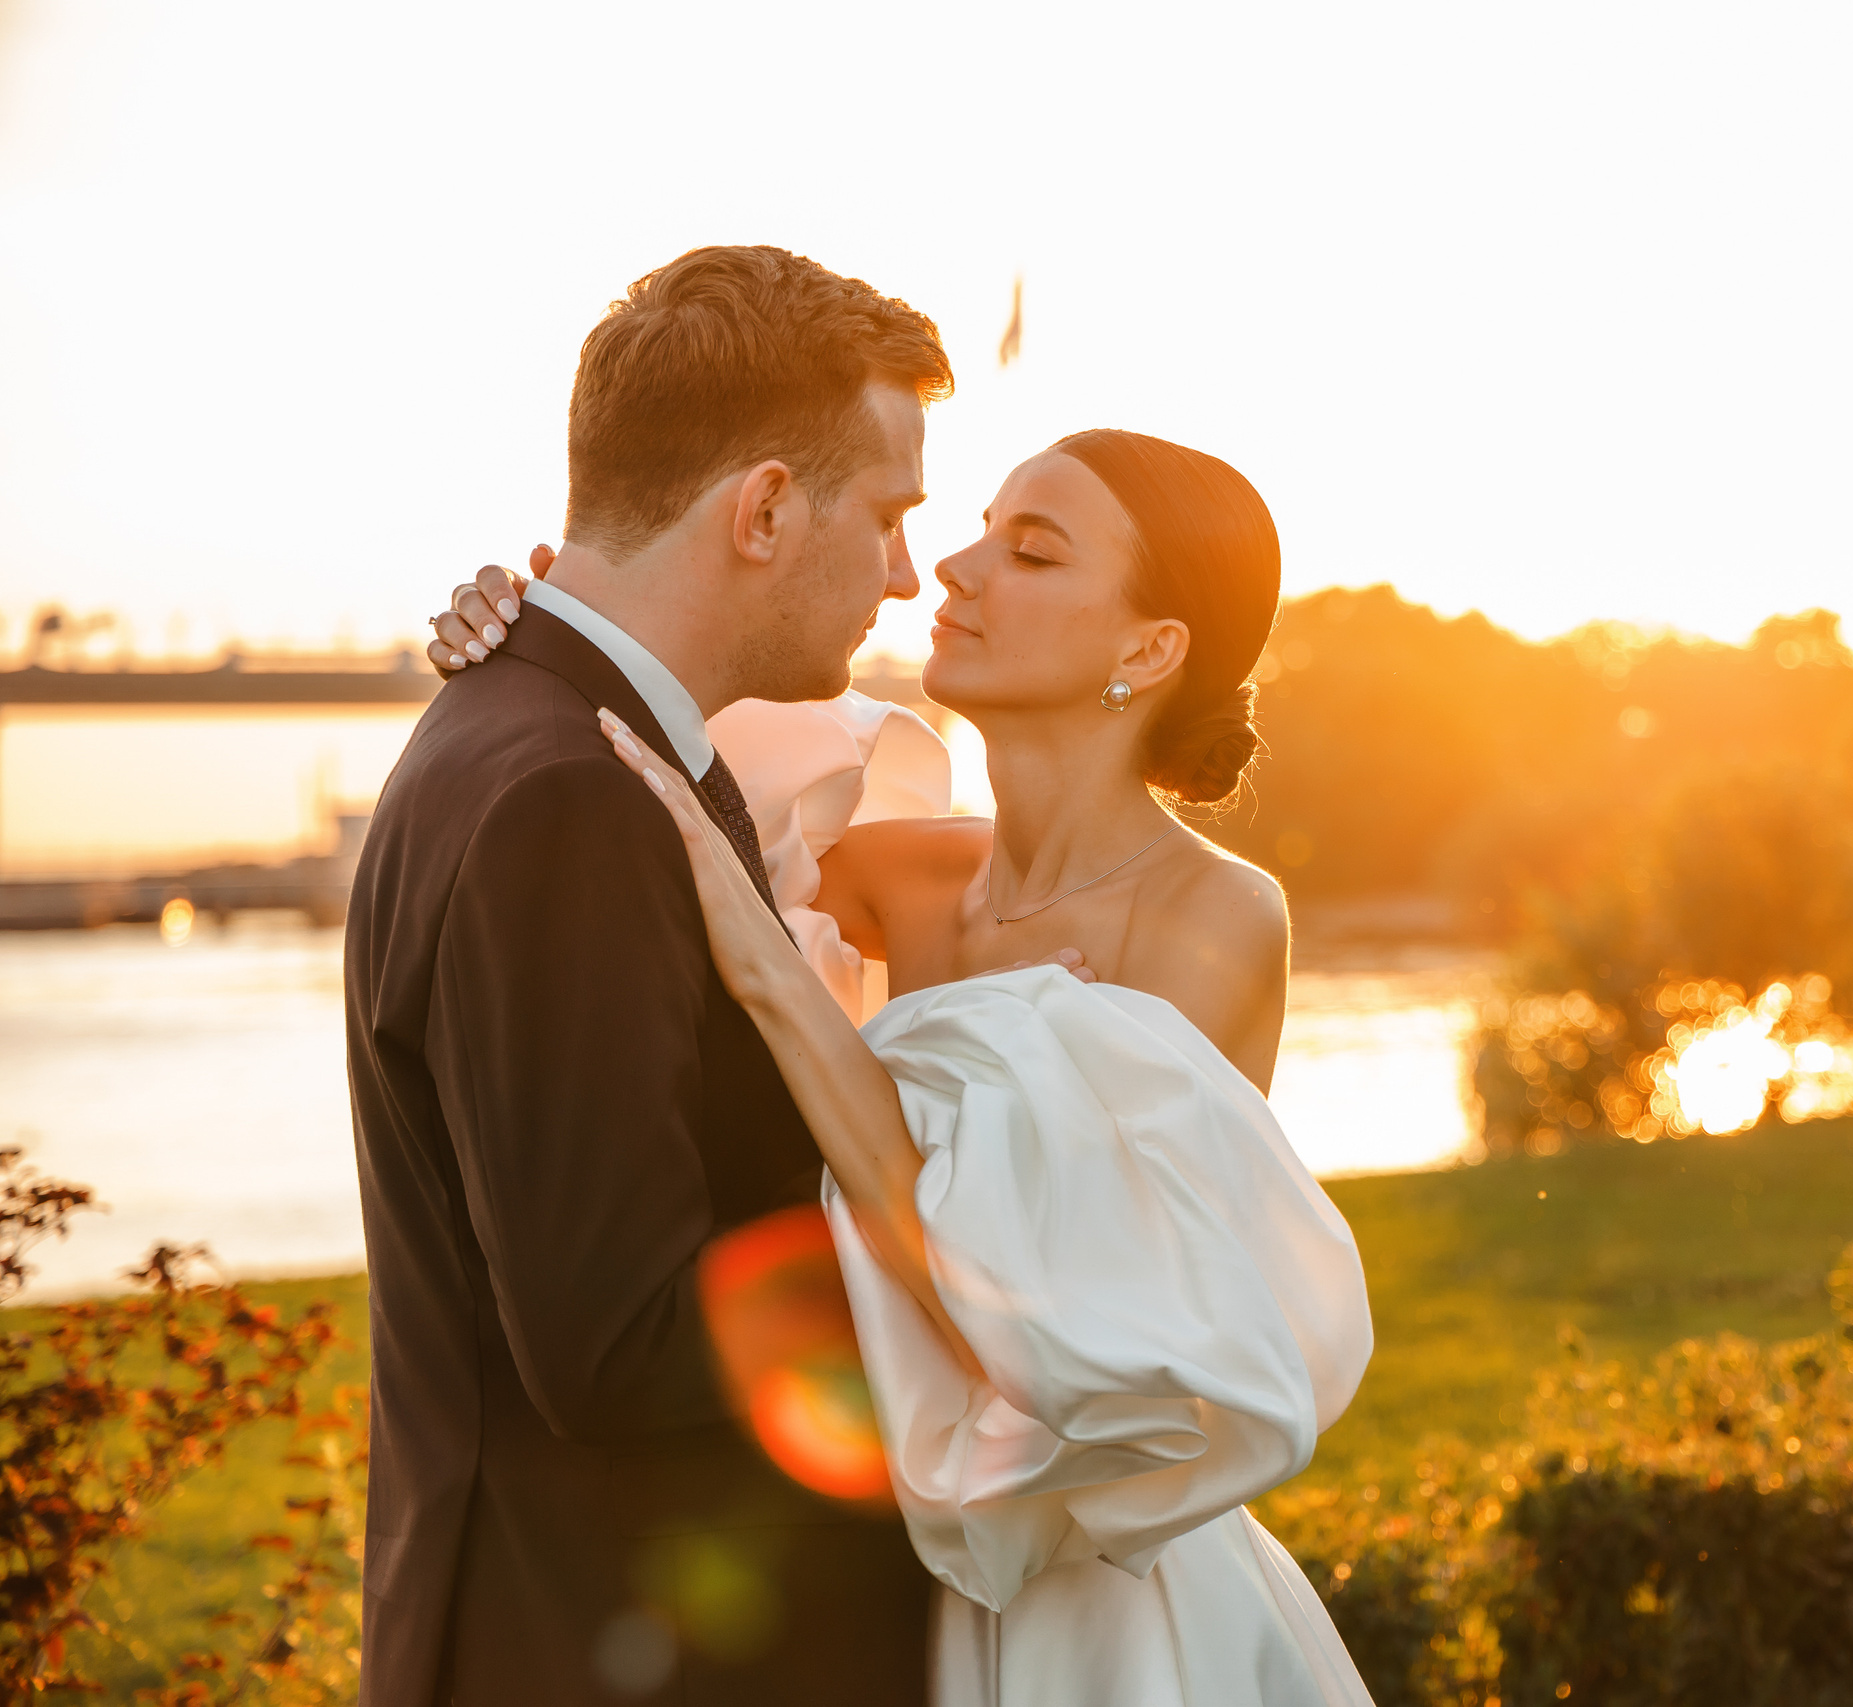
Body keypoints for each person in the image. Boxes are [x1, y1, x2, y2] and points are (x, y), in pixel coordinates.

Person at [430, 429, 1377, 1704]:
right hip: (900, 1576)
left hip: (1102, 1609)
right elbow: (647, 792)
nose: (954, 571)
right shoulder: (886, 871)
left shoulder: (1213, 917)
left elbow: (1029, 1312)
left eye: (1032, 553)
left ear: (1150, 650)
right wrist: (546, 620)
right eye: (981, 529)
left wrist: (775, 977)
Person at [345, 244, 956, 1705]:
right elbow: (615, 1342)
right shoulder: (569, 790)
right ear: (764, 510)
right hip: (600, 1651)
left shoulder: (555, 732)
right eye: (888, 514)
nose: (905, 573)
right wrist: (982, 1289)